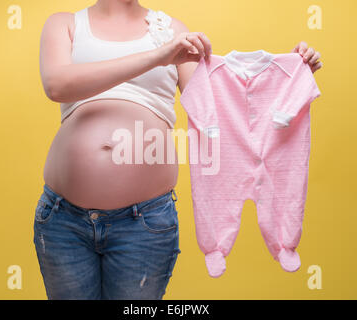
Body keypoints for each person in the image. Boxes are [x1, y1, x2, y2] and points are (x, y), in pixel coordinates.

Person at [34, 0, 323, 300]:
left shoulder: (172, 31)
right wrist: (158, 56)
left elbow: (218, 102)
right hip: (63, 219)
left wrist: (286, 76)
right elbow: (57, 85)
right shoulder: (65, 24)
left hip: (144, 223)